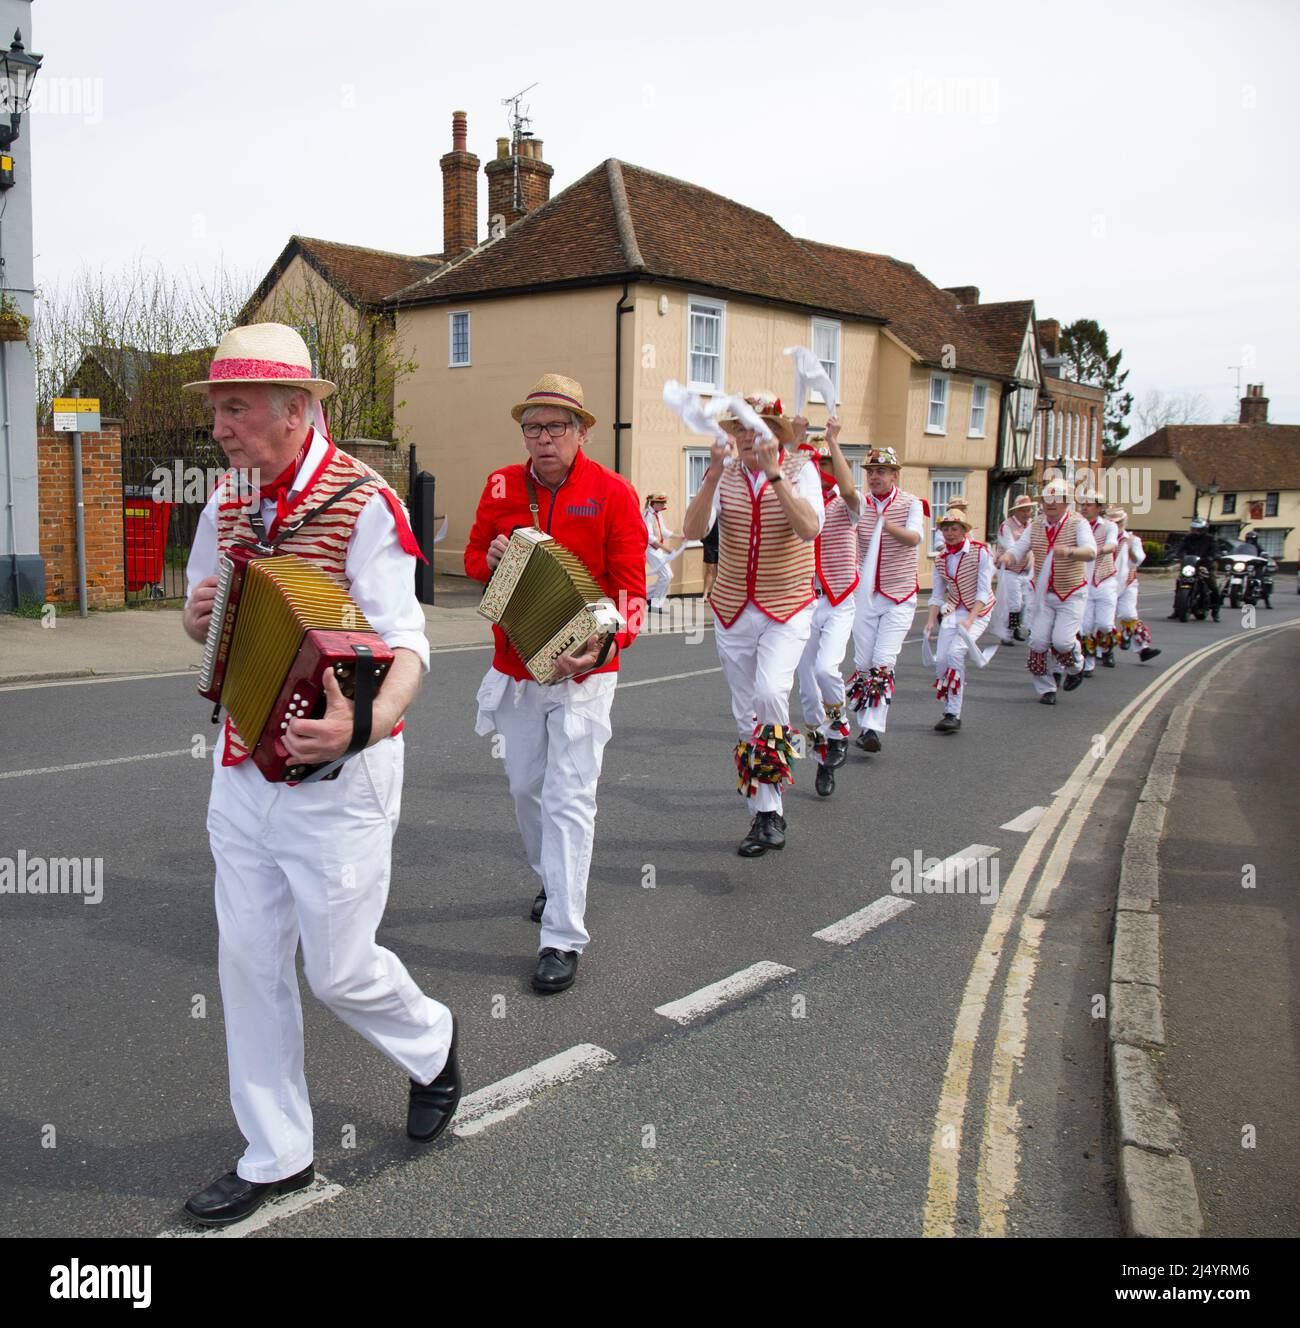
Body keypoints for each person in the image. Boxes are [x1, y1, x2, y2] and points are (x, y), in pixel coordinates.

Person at [180, 324, 459, 1227]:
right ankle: (278, 1153)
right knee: (249, 962)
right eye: (216, 408)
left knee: (338, 971)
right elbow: (202, 624)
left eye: (235, 408)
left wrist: (362, 724)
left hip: (344, 773)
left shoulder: (366, 501)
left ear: (295, 411)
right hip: (242, 765)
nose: (219, 427)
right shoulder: (224, 499)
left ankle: (432, 1042)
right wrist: (197, 614)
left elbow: (408, 643)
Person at [465, 374, 647, 994]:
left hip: (586, 672)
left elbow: (633, 593)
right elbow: (470, 560)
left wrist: (603, 644)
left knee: (571, 798)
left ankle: (562, 936)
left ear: (582, 432)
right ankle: (554, 877)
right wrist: (487, 561)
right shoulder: (499, 486)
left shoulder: (614, 494)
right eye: (533, 428)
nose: (543, 439)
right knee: (525, 788)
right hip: (517, 665)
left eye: (556, 427)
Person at [681, 391, 822, 857]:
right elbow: (694, 530)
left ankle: (772, 807)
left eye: (754, 428)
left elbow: (808, 529)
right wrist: (713, 475)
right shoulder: (725, 476)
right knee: (746, 714)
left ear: (775, 435)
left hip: (787, 604)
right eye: (738, 427)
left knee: (769, 693)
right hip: (733, 606)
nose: (744, 436)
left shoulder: (802, 472)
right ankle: (765, 813)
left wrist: (777, 475)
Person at [824, 442, 924, 754]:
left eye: (882, 471)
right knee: (864, 662)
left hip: (899, 594)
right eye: (871, 472)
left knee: (883, 661)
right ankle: (866, 720)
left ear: (895, 475)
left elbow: (914, 538)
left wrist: (884, 523)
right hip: (864, 594)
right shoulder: (858, 504)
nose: (875, 477)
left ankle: (871, 729)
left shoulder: (910, 504)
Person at [792, 418, 858, 797]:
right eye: (814, 464)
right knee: (806, 692)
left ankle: (840, 728)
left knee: (825, 668)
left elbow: (848, 488)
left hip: (837, 601)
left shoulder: (848, 506)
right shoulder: (800, 504)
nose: (820, 471)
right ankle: (823, 753)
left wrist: (833, 441)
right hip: (804, 600)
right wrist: (797, 442)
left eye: (825, 464)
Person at [999, 478, 1096, 705]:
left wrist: (1069, 552)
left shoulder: (1078, 523)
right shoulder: (1036, 525)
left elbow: (1091, 552)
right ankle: (1047, 688)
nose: (1051, 504)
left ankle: (1075, 666)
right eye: (1046, 499)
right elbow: (1019, 549)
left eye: (1057, 499)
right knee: (1039, 642)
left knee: (1062, 641)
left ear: (1066, 502)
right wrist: (1007, 557)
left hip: (1071, 592)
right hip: (1042, 594)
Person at [924, 507, 995, 733]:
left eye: (954, 529)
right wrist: (930, 621)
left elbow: (984, 591)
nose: (950, 533)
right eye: (945, 529)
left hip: (979, 611)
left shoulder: (980, 552)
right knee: (942, 660)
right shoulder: (941, 559)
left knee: (956, 654)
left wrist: (971, 619)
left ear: (964, 530)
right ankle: (948, 710)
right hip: (954, 611)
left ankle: (953, 713)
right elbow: (936, 595)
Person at [1078, 491, 1120, 674]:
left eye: (1089, 504)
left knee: (1104, 624)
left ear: (1099, 508)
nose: (1084, 508)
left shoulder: (1109, 526)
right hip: (1083, 582)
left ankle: (1107, 648)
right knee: (1085, 626)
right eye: (1083, 504)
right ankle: (1088, 662)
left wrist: (1100, 550)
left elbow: (1112, 544)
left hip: (1105, 582)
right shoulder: (1078, 526)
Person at [1112, 508, 1161, 662]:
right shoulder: (1102, 536)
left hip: (1127, 583)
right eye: (1113, 522)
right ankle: (1103, 651)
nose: (1116, 525)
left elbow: (1138, 560)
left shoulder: (1133, 539)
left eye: (1119, 522)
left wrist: (1130, 547)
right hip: (1105, 584)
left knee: (1128, 615)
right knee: (1101, 622)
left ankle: (1142, 648)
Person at [989, 494, 1035, 645]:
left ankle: (1014, 629)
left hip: (1025, 571)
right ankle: (1009, 632)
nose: (1026, 513)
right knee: (1014, 603)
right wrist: (1027, 547)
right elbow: (1011, 547)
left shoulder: (1031, 525)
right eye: (1023, 510)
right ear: (1016, 511)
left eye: (1028, 510)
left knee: (1025, 603)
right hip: (1009, 569)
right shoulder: (1006, 526)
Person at [1169, 517, 1221, 621]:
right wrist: (1174, 554)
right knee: (1180, 584)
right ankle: (1177, 609)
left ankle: (1215, 610)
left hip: (1205, 565)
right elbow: (1180, 547)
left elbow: (1215, 550)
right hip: (1190, 564)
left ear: (1204, 529)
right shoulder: (1187, 538)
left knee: (1212, 585)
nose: (1196, 531)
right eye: (1194, 528)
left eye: (1199, 529)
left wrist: (1213, 556)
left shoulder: (1210, 539)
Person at [643, 493, 679, 611]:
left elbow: (663, 531)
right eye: (662, 503)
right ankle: (655, 604)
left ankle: (646, 596)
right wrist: (666, 549)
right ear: (655, 503)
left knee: (668, 576)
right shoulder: (648, 515)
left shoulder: (657, 514)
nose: (664, 505)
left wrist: (679, 537)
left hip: (657, 549)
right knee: (666, 575)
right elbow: (649, 537)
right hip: (650, 549)